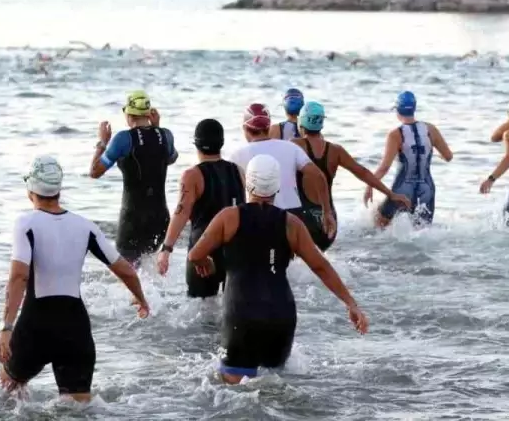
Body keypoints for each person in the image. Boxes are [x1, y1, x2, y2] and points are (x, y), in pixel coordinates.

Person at [188, 155, 369, 383]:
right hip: (280, 316)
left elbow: (195, 254)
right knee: (273, 390)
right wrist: (351, 304)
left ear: (248, 182)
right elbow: (321, 266)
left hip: (241, 314)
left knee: (236, 394)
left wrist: (208, 264)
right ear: (277, 186)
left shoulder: (229, 217)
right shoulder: (291, 223)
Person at [0, 156, 150, 401]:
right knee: (77, 410)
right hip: (75, 329)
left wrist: (6, 328)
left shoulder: (25, 223)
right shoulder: (85, 226)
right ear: (59, 189)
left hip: (35, 327)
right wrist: (141, 299)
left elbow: (18, 277)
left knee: (6, 389)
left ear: (30, 189)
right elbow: (126, 270)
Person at [292, 101, 410, 250]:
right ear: (322, 123)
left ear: (301, 123)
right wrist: (390, 194)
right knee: (321, 260)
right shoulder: (335, 151)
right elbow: (363, 172)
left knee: (300, 264)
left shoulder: (294, 146)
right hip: (329, 219)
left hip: (304, 217)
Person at [156, 119, 246, 297]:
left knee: (201, 313)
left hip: (204, 251)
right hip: (235, 251)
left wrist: (166, 249)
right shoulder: (238, 170)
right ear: (221, 143)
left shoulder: (192, 175)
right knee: (232, 311)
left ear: (196, 143)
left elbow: (181, 213)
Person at [227, 103, 335, 249]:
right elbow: (319, 176)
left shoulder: (237, 155)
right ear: (268, 126)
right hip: (293, 215)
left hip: (259, 216)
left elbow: (230, 194)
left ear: (245, 128)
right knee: (293, 263)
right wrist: (327, 212)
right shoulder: (290, 147)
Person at [89, 90, 178, 261]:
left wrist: (102, 142)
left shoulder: (123, 139)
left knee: (127, 274)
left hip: (133, 219)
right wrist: (157, 128)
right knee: (147, 268)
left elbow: (95, 172)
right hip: (160, 217)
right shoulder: (166, 135)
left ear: (129, 114)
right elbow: (170, 159)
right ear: (149, 113)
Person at [364, 91, 453, 227]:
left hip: (403, 188)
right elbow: (448, 156)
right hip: (426, 189)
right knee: (422, 233)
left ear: (398, 110)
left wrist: (370, 185)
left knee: (378, 224)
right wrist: (437, 154)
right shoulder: (431, 130)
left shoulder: (395, 135)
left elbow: (384, 168)